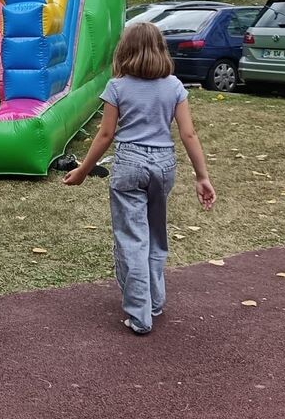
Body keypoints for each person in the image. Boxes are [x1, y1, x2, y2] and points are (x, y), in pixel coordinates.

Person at [62, 22, 216, 335]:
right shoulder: (173, 85)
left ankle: (139, 313)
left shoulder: (117, 87)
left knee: (131, 238)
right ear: (161, 49)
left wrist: (82, 170)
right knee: (156, 234)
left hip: (130, 163)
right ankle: (155, 301)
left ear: (125, 49)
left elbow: (105, 135)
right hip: (163, 165)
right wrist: (202, 176)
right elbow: (188, 133)